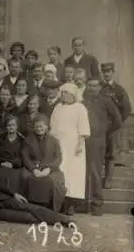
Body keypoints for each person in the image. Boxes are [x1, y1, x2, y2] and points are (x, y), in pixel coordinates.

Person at [82, 77, 122, 215]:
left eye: (95, 86)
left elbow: (117, 121)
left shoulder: (106, 101)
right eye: (90, 86)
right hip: (82, 141)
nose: (92, 88)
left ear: (99, 87)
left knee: (94, 172)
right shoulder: (83, 101)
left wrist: (105, 131)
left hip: (97, 141)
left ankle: (97, 204)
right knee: (82, 172)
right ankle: (81, 204)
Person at [50, 83, 90, 215]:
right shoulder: (57, 107)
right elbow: (52, 126)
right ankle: (59, 201)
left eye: (65, 93)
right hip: (59, 145)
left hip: (73, 146)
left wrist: (80, 143)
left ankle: (71, 204)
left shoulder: (80, 108)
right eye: (61, 93)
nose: (63, 95)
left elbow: (83, 127)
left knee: (73, 174)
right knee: (60, 170)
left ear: (72, 94)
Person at [22, 115, 66, 212]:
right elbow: (25, 157)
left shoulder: (54, 141)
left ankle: (50, 209)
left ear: (47, 127)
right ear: (34, 128)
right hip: (33, 168)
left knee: (54, 182)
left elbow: (58, 158)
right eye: (37, 127)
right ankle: (31, 207)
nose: (39, 129)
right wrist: (33, 169)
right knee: (28, 179)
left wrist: (49, 168)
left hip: (50, 169)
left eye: (41, 126)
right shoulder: (28, 140)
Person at [100, 62, 133, 171]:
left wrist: (117, 122)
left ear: (113, 73)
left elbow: (127, 108)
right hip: (100, 125)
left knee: (111, 153)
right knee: (99, 151)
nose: (106, 74)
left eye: (109, 72)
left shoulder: (119, 89)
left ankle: (108, 180)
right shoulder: (97, 87)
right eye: (104, 72)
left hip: (113, 127)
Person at [0, 116, 25, 193]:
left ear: (17, 126)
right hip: (1, 165)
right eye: (9, 125)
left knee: (16, 180)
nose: (11, 127)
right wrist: (1, 163)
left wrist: (13, 164)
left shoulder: (22, 140)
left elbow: (23, 157)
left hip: (16, 167)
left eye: (13, 125)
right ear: (5, 127)